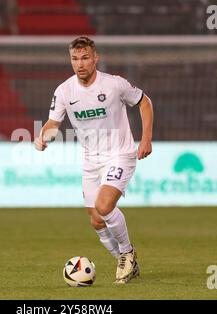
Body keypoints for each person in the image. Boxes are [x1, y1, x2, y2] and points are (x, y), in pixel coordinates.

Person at [34, 36, 154, 284]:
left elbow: (145, 102)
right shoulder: (64, 91)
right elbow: (54, 123)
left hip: (120, 154)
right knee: (96, 220)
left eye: (85, 58)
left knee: (104, 205)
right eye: (75, 59)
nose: (80, 64)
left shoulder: (114, 84)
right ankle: (126, 262)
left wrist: (146, 139)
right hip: (90, 160)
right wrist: (43, 136)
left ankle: (127, 254)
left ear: (95, 58)